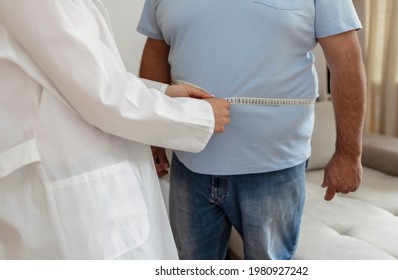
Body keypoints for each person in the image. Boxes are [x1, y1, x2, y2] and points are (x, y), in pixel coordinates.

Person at [0, 0, 230, 260]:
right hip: (71, 196)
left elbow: (86, 79)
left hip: (81, 175)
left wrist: (163, 93)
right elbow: (101, 95)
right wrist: (197, 116)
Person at [137, 0, 367, 260]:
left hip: (274, 168)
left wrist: (349, 154)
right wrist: (153, 138)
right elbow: (156, 50)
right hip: (189, 163)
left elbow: (346, 61)